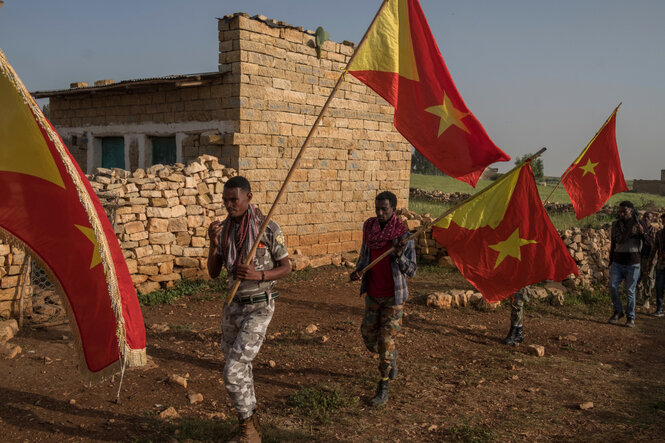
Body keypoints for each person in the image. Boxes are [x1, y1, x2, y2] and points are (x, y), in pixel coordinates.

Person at [207, 176, 291, 443]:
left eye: (234, 199)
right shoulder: (224, 230)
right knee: (241, 368)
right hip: (233, 307)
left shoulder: (268, 228)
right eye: (226, 200)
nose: (229, 205)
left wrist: (259, 275)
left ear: (248, 198)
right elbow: (212, 272)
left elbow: (287, 267)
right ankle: (251, 422)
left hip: (259, 307)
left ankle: (247, 428)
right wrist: (212, 243)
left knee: (232, 371)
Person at [350, 191, 416, 407]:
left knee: (386, 340)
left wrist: (399, 255)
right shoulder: (369, 229)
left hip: (393, 298)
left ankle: (383, 384)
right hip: (373, 294)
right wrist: (358, 271)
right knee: (369, 338)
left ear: (393, 210)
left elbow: (412, 270)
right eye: (377, 208)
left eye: (384, 209)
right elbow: (364, 257)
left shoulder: (402, 236)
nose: (379, 213)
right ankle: (391, 355)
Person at [608, 201, 644, 328]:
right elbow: (616, 241)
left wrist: (643, 233)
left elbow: (649, 243)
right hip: (618, 262)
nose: (622, 214)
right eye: (621, 211)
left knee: (630, 291)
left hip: (633, 263)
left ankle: (630, 317)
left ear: (632, 211)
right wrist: (610, 260)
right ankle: (618, 311)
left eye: (625, 211)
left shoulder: (639, 225)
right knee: (612, 286)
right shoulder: (616, 225)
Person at [636, 211, 656, 310]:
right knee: (637, 277)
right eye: (645, 217)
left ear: (652, 219)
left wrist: (643, 234)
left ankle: (646, 300)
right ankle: (639, 295)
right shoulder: (639, 229)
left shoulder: (654, 230)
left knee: (647, 278)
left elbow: (652, 244)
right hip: (638, 256)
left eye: (648, 217)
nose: (646, 219)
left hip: (648, 257)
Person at [651, 213, 665, 317]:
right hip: (661, 264)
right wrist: (651, 261)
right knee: (659, 287)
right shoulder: (660, 234)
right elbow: (655, 248)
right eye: (663, 221)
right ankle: (659, 309)